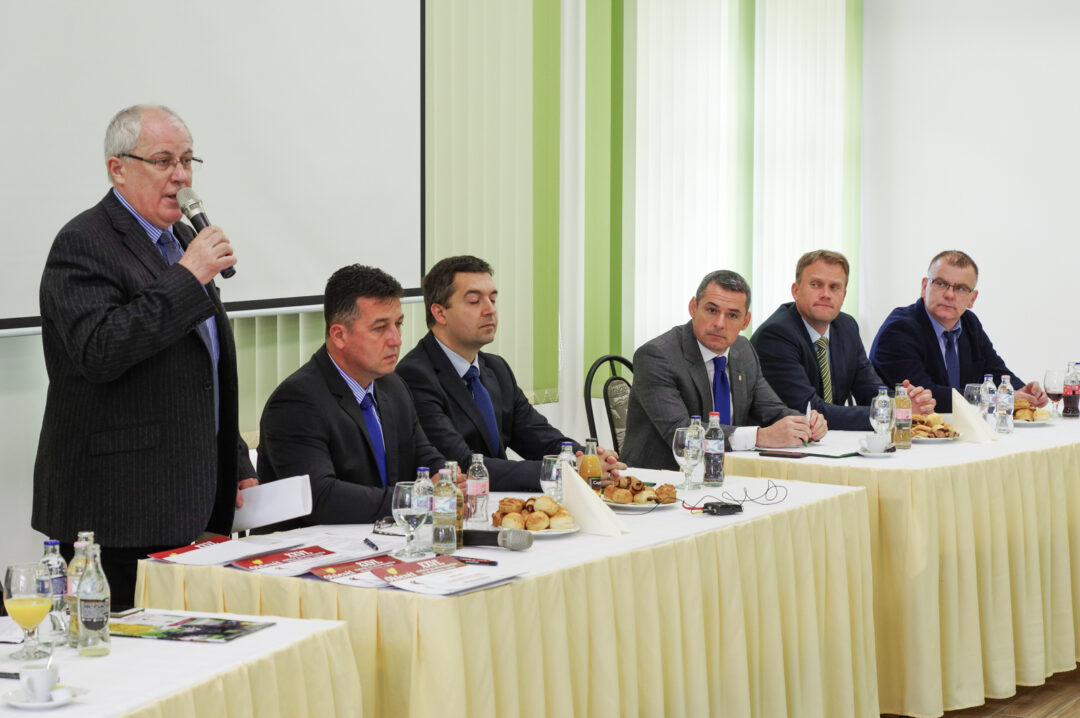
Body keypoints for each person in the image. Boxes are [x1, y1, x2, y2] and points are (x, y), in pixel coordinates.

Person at [34, 105, 256, 609]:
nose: (180, 175)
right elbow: (99, 350)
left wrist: (233, 455)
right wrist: (187, 277)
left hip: (187, 499)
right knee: (115, 650)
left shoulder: (181, 240)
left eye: (187, 160)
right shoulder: (83, 241)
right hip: (116, 509)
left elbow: (203, 368)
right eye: (163, 161)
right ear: (118, 169)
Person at [396, 255, 623, 490]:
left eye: (493, 299)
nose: (490, 310)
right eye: (474, 301)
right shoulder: (415, 376)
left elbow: (537, 437)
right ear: (440, 313)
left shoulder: (497, 369)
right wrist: (566, 470)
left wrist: (588, 458)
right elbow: (461, 465)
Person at [258, 265, 453, 524]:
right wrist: (414, 500)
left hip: (384, 536)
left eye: (398, 324)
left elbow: (424, 455)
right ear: (339, 335)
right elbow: (321, 498)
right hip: (311, 545)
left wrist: (445, 478)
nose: (396, 339)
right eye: (380, 328)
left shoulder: (393, 386)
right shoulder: (296, 402)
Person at [622, 270, 828, 471]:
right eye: (712, 310)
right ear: (693, 307)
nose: (720, 324)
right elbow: (680, 433)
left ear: (745, 321)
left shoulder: (743, 350)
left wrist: (805, 423)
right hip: (663, 478)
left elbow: (773, 411)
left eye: (732, 315)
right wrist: (759, 437)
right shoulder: (657, 356)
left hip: (731, 473)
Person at [751, 250, 936, 430]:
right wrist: (892, 412)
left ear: (844, 295)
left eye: (834, 287)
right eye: (816, 284)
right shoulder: (776, 335)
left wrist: (906, 402)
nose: (826, 294)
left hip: (831, 442)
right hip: (786, 444)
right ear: (796, 290)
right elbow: (810, 410)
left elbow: (870, 390)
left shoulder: (846, 326)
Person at [870, 250, 1048, 412]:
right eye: (941, 283)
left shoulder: (969, 323)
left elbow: (995, 370)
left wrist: (1019, 390)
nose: (949, 295)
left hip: (957, 430)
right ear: (924, 287)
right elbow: (926, 395)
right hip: (905, 431)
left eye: (961, 288)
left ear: (972, 299)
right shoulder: (899, 330)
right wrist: (996, 398)